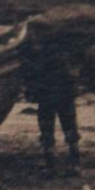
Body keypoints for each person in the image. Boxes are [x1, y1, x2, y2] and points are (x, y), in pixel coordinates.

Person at [20, 19, 82, 178]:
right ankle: (74, 164)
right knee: (69, 128)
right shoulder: (59, 51)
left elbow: (34, 73)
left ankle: (52, 166)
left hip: (49, 96)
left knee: (48, 130)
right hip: (63, 95)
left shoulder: (40, 53)